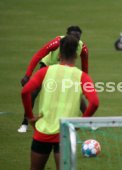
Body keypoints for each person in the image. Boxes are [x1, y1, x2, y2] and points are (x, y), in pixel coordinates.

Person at [21, 35, 99, 170]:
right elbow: (94, 102)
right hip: (66, 134)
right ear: (76, 54)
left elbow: (25, 92)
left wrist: (29, 116)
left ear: (59, 54)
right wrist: (82, 121)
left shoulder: (44, 72)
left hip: (42, 133)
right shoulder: (82, 77)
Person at [18, 26, 89, 133]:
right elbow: (39, 55)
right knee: (33, 93)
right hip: (47, 67)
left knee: (74, 92)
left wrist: (84, 83)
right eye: (73, 37)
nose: (75, 41)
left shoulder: (82, 47)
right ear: (67, 36)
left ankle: (89, 121)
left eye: (77, 38)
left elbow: (85, 65)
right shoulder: (57, 42)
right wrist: (27, 75)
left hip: (64, 70)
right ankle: (25, 122)